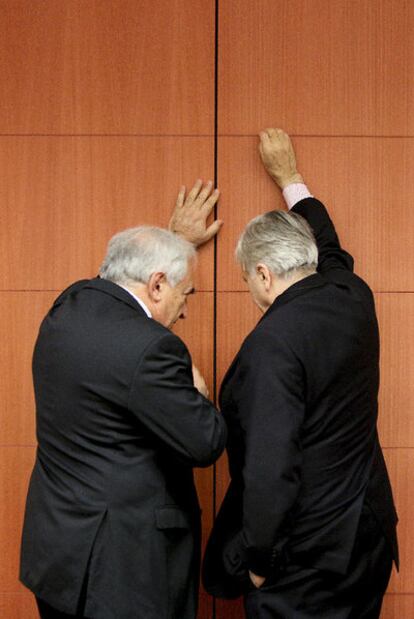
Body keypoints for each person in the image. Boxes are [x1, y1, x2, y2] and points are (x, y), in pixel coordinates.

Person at [200, 129, 399, 618]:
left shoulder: (271, 343)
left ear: (264, 274)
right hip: (366, 540)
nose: (251, 291)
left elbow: (272, 466)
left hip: (304, 560)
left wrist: (260, 560)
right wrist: (291, 181)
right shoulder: (353, 297)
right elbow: (331, 251)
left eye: (249, 278)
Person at [20, 181, 227, 619]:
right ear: (156, 284)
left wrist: (175, 239)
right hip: (122, 574)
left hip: (59, 560)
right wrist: (198, 392)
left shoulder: (67, 307)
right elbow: (205, 443)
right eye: (184, 293)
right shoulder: (154, 349)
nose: (185, 310)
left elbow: (114, 292)